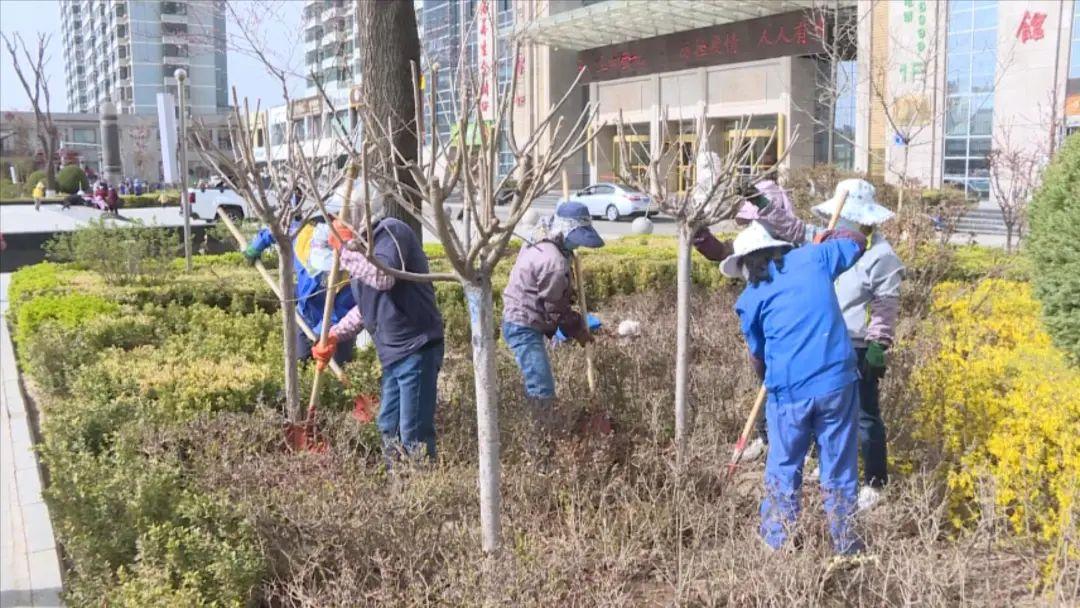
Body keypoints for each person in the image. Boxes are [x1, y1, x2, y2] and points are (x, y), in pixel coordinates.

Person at [751, 179, 903, 511]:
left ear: (866, 219)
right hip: (819, 338)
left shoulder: (881, 255)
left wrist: (878, 344)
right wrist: (762, 205)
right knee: (826, 408)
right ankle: (826, 464)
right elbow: (791, 228)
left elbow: (885, 304)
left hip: (855, 342)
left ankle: (875, 481)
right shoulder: (823, 238)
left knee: (864, 415)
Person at [722, 220, 867, 555]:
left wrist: (771, 379)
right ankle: (846, 547)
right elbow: (858, 240)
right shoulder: (814, 257)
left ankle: (777, 543)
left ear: (746, 264)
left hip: (788, 392)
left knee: (784, 467)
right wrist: (828, 238)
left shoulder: (750, 298)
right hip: (836, 383)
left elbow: (757, 356)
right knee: (839, 469)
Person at [311, 182, 444, 466]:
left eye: (341, 216)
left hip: (416, 348)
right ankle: (398, 491)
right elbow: (366, 307)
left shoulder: (391, 233)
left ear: (360, 211)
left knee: (413, 433)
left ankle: (422, 495)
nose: (336, 222)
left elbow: (384, 278)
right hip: (393, 354)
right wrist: (335, 334)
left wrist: (346, 251)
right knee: (388, 426)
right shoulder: (361, 249)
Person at [501, 201, 604, 455]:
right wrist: (579, 330)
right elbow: (556, 309)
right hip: (522, 324)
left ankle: (543, 439)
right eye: (577, 240)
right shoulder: (554, 262)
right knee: (541, 386)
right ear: (566, 234)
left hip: (525, 318)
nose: (578, 245)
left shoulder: (541, 239)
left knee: (540, 383)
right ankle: (540, 447)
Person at [244, 197, 357, 367]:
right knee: (299, 364)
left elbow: (347, 310)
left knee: (338, 368)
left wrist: (325, 334)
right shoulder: (303, 239)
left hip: (337, 329)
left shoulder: (354, 270)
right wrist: (257, 245)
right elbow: (278, 230)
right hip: (304, 317)